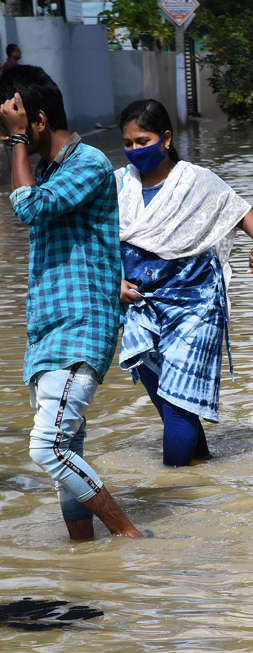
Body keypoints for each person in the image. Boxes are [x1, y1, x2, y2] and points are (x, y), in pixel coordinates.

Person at [0, 66, 143, 541]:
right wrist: (20, 147)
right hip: (48, 329)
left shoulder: (89, 164)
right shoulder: (49, 171)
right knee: (67, 446)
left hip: (80, 327)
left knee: (48, 447)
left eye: (13, 126)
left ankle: (129, 536)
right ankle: (85, 553)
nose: (8, 137)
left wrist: (17, 143)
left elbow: (27, 209)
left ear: (36, 121)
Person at [116, 99, 253, 467]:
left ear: (166, 138)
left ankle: (175, 490)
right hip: (139, 305)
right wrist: (114, 281)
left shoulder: (195, 181)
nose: (135, 150)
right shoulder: (117, 186)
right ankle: (202, 470)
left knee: (178, 406)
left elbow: (242, 211)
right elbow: (95, 240)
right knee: (169, 403)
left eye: (143, 140)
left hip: (196, 306)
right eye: (128, 143)